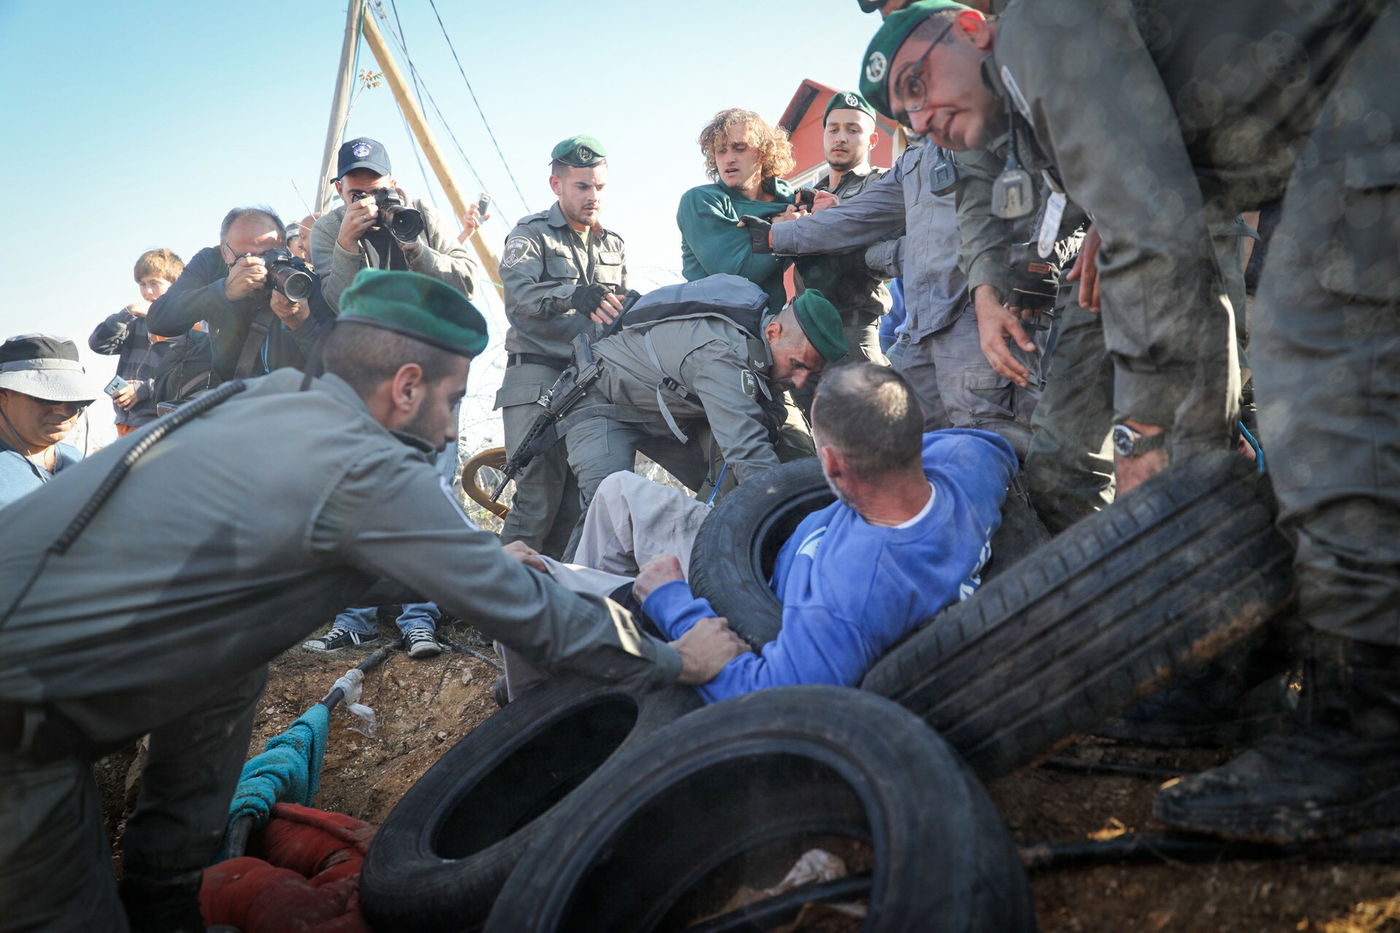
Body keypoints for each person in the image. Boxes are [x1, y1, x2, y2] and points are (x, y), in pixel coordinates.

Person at [0, 269, 748, 931]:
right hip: (20, 720)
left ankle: (166, 902)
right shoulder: (358, 462)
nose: (451, 427)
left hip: (65, 674)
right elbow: (532, 617)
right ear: (407, 386)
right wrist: (677, 657)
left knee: (234, 670)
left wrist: (479, 558)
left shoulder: (265, 403)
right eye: (452, 401)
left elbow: (309, 570)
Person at [860, 0, 1400, 843]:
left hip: (1373, 86)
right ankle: (1253, 668)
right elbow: (1168, 223)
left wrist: (1142, 431)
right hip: (1342, 114)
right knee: (1314, 368)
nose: (920, 119)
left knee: (1317, 344)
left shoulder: (1039, 25)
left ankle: (1370, 732)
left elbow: (1158, 234)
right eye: (906, 114)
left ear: (968, 26)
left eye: (916, 85)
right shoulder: (1015, 90)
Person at [521, 362, 1016, 703]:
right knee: (618, 492)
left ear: (830, 464)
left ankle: (558, 701)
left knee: (526, 577)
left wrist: (671, 602)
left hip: (734, 612)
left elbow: (769, 694)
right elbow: (999, 449)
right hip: (750, 557)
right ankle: (588, 674)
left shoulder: (851, 594)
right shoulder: (968, 459)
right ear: (918, 425)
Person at [560, 287, 849, 555]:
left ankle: (695, 558)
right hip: (599, 402)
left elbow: (766, 414)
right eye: (797, 365)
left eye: (810, 373)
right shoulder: (722, 356)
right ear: (773, 331)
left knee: (726, 482)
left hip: (667, 413)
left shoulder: (760, 341)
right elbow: (748, 453)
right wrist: (798, 530)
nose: (800, 381)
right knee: (604, 512)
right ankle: (567, 586)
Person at [496, 135, 627, 558]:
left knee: (577, 504)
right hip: (538, 374)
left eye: (599, 187)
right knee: (536, 497)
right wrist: (572, 295)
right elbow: (518, 300)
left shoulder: (613, 244)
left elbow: (616, 315)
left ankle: (554, 594)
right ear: (557, 185)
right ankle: (498, 596)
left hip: (591, 380)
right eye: (582, 186)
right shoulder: (530, 234)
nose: (593, 196)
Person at [147, 206, 335, 382]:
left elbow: (336, 371)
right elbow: (159, 320)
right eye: (246, 257)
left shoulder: (299, 279)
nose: (260, 265)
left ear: (284, 249)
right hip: (230, 392)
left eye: (269, 254)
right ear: (225, 252)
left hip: (292, 395)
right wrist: (223, 291)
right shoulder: (211, 263)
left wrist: (302, 324)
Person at [310, 137, 480, 311]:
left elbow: (468, 285)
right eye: (358, 195)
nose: (369, 202)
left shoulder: (423, 214)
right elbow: (339, 306)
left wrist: (419, 253)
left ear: (393, 185)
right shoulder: (328, 229)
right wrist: (346, 244)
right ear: (340, 189)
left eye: (378, 192)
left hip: (428, 326)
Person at [789, 90, 892, 369]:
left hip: (853, 332)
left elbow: (886, 249)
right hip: (804, 333)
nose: (841, 137)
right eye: (833, 129)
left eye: (852, 129)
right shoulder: (808, 196)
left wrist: (838, 215)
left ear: (872, 140)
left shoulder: (883, 184)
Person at [677, 108, 799, 315]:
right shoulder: (700, 201)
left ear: (763, 153)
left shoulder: (790, 200)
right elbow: (736, 275)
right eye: (721, 151)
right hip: (715, 325)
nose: (729, 159)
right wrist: (785, 230)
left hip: (772, 324)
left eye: (739, 148)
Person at [88, 248, 185, 436]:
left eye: (154, 283)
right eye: (142, 284)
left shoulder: (188, 327)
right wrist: (126, 313)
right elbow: (98, 344)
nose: (147, 291)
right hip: (125, 422)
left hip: (162, 425)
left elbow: (185, 379)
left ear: (175, 285)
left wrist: (143, 389)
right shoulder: (135, 322)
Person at [0, 334, 104, 508]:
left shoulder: (75, 459)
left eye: (75, 399)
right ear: (3, 396)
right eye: (46, 398)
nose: (63, 410)